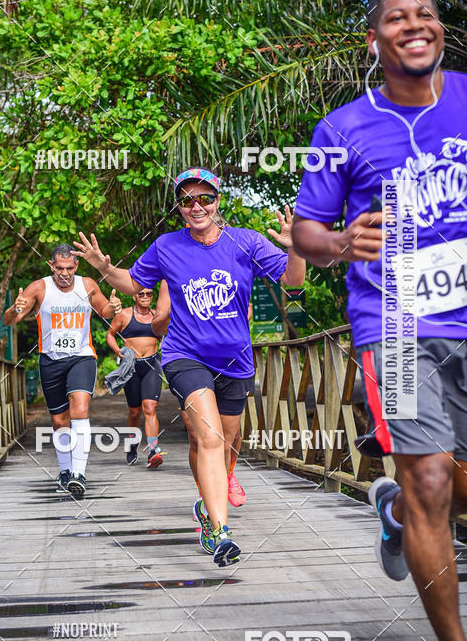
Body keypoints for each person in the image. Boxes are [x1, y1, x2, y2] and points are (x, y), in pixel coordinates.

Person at [292, 0, 467, 641]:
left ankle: (398, 516)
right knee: (433, 478)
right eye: (397, 18)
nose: (416, 25)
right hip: (394, 325)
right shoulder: (338, 129)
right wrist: (343, 240)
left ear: (439, 32)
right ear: (373, 41)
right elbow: (307, 232)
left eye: (427, 15)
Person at [73, 167, 305, 566]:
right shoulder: (167, 246)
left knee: (226, 443)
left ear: (218, 200)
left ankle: (208, 501)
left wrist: (297, 246)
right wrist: (104, 268)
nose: (197, 207)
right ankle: (220, 530)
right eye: (187, 200)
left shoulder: (245, 241)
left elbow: (293, 283)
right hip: (185, 355)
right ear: (179, 207)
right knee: (210, 437)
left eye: (205, 198)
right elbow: (134, 283)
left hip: (235, 360)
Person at [3, 243, 121, 497]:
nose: (64, 273)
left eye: (69, 268)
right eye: (59, 268)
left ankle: (79, 474)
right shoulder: (39, 288)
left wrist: (112, 308)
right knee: (59, 421)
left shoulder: (87, 285)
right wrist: (14, 309)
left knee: (80, 409)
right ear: (51, 266)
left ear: (76, 266)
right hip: (51, 360)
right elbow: (10, 321)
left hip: (81, 357)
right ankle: (65, 470)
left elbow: (103, 310)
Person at [152, 279, 247, 506]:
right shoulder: (171, 279)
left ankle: (228, 473)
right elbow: (157, 327)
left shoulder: (226, 268)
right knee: (197, 435)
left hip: (228, 359)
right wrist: (177, 310)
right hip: (187, 361)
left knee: (229, 436)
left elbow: (247, 309)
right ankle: (206, 498)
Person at [106, 286, 164, 467]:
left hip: (151, 365)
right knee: (134, 411)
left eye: (149, 293)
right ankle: (132, 445)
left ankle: (154, 449)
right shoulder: (124, 315)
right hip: (131, 367)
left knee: (150, 407)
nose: (145, 297)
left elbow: (168, 334)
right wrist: (118, 351)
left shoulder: (157, 316)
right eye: (141, 294)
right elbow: (110, 334)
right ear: (134, 296)